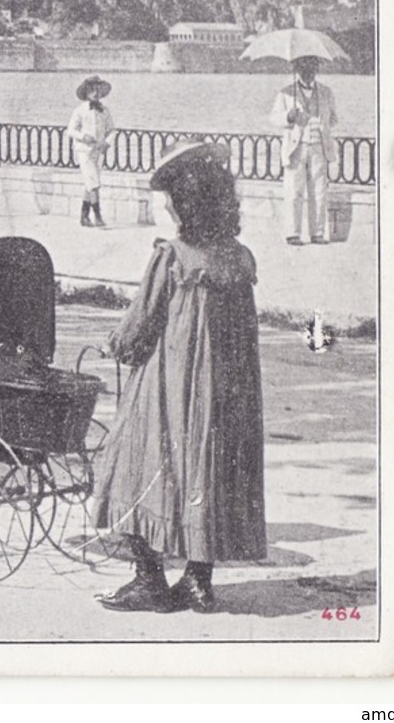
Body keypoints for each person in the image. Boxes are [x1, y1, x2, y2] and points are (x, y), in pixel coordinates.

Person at [92, 140, 265, 614]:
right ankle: (197, 581)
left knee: (134, 462)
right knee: (206, 474)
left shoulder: (174, 256)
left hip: (171, 387)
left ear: (188, 203)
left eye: (173, 198)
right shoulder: (239, 257)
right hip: (226, 395)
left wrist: (116, 343)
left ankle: (149, 580)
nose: (167, 205)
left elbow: (138, 327)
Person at [269, 56, 338, 245]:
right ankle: (293, 233)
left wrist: (321, 125)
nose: (308, 72)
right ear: (297, 70)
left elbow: (333, 118)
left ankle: (317, 233)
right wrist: (288, 117)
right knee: (294, 191)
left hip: (319, 147)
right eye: (304, 68)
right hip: (295, 148)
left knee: (319, 191)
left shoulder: (326, 92)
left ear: (316, 70)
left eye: (312, 68)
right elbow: (273, 119)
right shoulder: (286, 93)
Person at [66, 75, 115, 227]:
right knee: (94, 183)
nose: (96, 93)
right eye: (93, 90)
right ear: (87, 93)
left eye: (98, 90)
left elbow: (112, 130)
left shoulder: (104, 111)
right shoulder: (79, 111)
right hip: (84, 151)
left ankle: (84, 216)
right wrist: (83, 136)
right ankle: (98, 217)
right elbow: (71, 130)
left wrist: (107, 143)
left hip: (98, 152)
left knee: (90, 183)